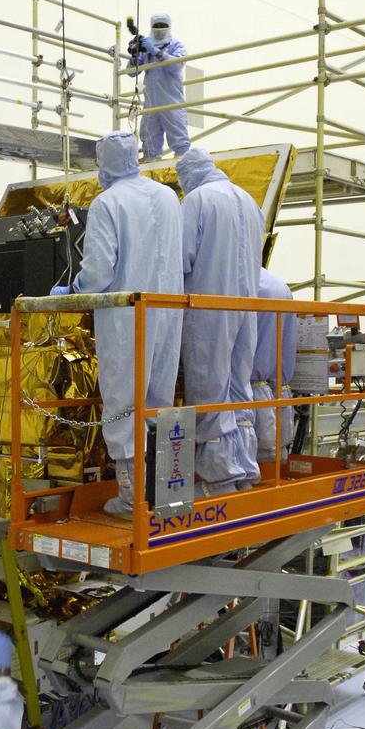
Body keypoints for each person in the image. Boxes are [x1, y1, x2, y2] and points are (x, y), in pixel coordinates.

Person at [52, 130, 183, 518]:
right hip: (168, 311)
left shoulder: (108, 202)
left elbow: (98, 272)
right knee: (159, 401)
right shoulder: (167, 197)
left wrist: (74, 289)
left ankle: (131, 499)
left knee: (125, 404)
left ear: (104, 163)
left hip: (127, 319)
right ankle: (162, 492)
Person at [178, 146, 264, 494]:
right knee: (238, 384)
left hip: (209, 306)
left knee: (208, 384)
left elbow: (182, 256)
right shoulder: (248, 200)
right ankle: (244, 466)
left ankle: (219, 475)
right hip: (247, 306)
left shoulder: (198, 200)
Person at [252, 266, 297, 463]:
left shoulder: (249, 285)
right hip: (278, 395)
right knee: (275, 461)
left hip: (253, 400)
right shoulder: (278, 285)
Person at [137, 12, 190, 162]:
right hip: (151, 102)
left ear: (169, 27)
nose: (160, 29)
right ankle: (150, 164)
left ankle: (182, 164)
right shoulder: (146, 48)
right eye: (157, 26)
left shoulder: (176, 45)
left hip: (171, 100)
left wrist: (156, 51)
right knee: (149, 138)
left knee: (178, 136)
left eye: (163, 26)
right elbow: (132, 72)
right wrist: (135, 53)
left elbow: (176, 65)